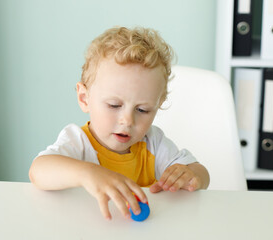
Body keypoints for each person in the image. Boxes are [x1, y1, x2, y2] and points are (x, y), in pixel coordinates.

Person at [29, 26, 210, 220]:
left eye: (142, 110)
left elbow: (201, 174)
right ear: (84, 98)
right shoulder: (79, 142)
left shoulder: (153, 142)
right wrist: (89, 174)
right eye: (114, 105)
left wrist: (190, 176)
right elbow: (38, 171)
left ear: (158, 105)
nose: (127, 120)